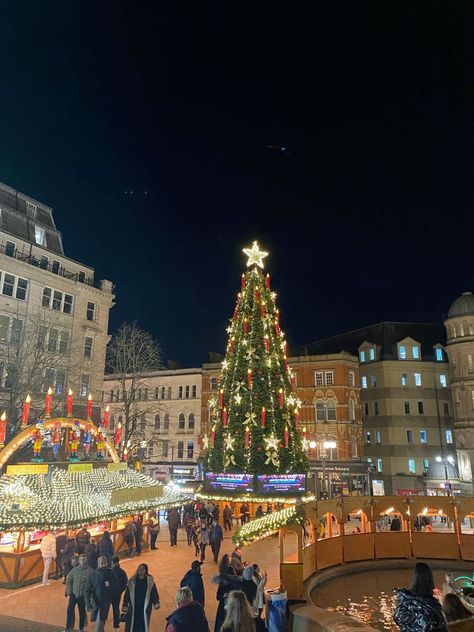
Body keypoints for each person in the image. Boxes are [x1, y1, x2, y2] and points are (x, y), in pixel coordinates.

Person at [394, 562, 448, 632]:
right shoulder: (432, 606)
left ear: (414, 578)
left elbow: (398, 619)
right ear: (430, 580)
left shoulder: (404, 600)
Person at [122, 563, 160, 632]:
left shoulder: (150, 582)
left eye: (142, 569)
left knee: (143, 624)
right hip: (134, 607)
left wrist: (156, 602)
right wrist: (124, 605)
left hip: (144, 607)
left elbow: (154, 593)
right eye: (139, 568)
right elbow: (127, 594)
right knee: (132, 624)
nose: (140, 570)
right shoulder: (132, 581)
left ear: (146, 571)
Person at [86, 555, 119, 632]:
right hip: (96, 601)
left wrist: (110, 589)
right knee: (100, 619)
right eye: (101, 563)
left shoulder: (110, 573)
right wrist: (88, 603)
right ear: (98, 563)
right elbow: (87, 590)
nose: (103, 565)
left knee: (100, 619)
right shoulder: (93, 575)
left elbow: (116, 584)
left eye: (104, 563)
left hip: (105, 601)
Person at [213, 556, 243, 632]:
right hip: (228, 608)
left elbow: (218, 596)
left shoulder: (236, 582)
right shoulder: (237, 582)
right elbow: (218, 596)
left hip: (226, 608)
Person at [65, 553, 92, 632]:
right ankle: (68, 627)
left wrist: (89, 596)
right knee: (70, 610)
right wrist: (69, 593)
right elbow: (69, 581)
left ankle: (81, 628)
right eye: (81, 560)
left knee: (82, 612)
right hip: (73, 594)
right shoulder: (74, 570)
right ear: (79, 561)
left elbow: (92, 584)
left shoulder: (90, 571)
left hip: (83, 596)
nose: (82, 561)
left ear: (86, 560)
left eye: (83, 559)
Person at [111, 556, 128, 632]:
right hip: (117, 594)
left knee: (105, 609)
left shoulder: (110, 571)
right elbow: (125, 583)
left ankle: (102, 624)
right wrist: (120, 591)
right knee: (116, 609)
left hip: (109, 594)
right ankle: (116, 626)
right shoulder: (122, 572)